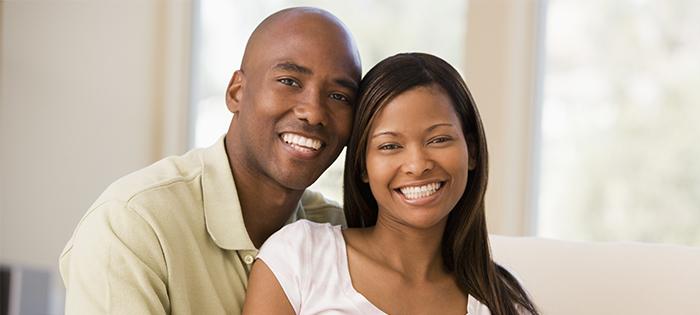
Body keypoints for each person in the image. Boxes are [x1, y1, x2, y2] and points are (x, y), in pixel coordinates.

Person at [59, 7, 362, 314]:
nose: (313, 112)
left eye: (339, 97)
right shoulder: (133, 224)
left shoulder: (341, 235)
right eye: (289, 81)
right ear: (236, 92)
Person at [243, 53, 539, 314]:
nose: (417, 164)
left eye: (438, 140)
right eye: (390, 146)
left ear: (471, 152)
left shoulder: (503, 302)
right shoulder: (300, 255)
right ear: (363, 166)